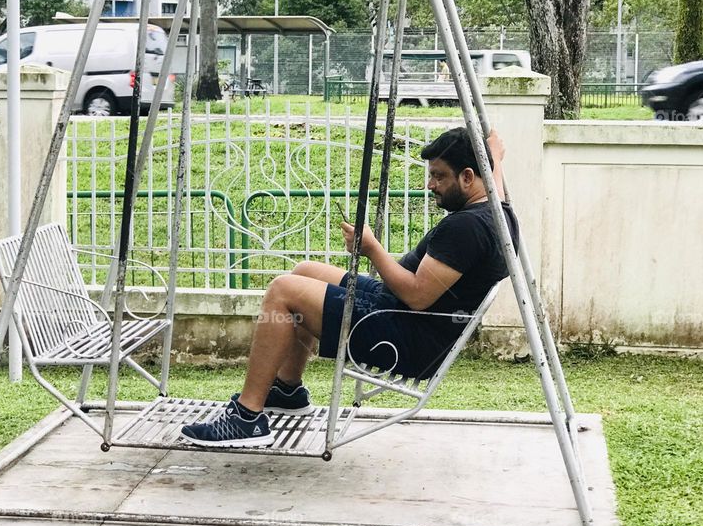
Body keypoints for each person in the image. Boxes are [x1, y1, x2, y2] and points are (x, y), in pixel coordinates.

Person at [180, 127, 519, 448]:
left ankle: (247, 417)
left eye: (439, 176)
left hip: (405, 334)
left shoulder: (466, 229)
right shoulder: (497, 211)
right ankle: (286, 390)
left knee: (283, 291)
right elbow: (495, 184)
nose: (430, 185)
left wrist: (371, 248)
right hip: (402, 313)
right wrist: (496, 160)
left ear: (468, 177)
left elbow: (417, 296)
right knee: (305, 272)